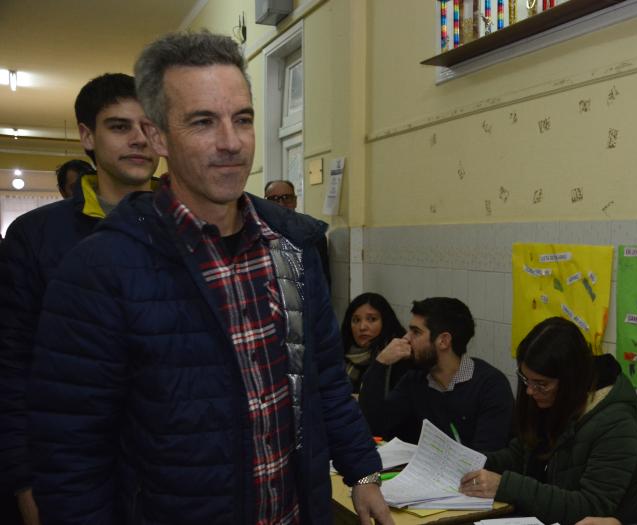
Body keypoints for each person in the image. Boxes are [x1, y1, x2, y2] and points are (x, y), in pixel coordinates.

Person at [27, 31, 392, 525]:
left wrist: (362, 473)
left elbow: (324, 378)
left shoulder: (291, 247)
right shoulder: (100, 269)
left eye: (242, 119)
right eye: (203, 121)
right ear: (157, 137)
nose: (231, 142)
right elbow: (70, 450)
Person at [0, 72, 159, 525]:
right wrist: (25, 482)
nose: (138, 140)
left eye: (148, 126)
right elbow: (12, 367)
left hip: (170, 473)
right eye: (119, 126)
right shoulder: (38, 236)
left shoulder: (186, 229)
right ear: (87, 136)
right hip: (73, 472)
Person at [459, 317, 637, 525]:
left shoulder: (616, 422)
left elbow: (592, 508)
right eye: (525, 380)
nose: (530, 391)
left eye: (541, 384)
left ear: (571, 380)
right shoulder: (551, 400)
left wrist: (505, 486)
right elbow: (520, 454)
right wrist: (471, 462)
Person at [358, 297, 513, 452]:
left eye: (416, 332)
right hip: (416, 472)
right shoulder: (416, 379)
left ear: (444, 341)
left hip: (466, 475)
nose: (406, 338)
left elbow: (487, 456)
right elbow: (375, 425)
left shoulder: (491, 385)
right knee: (361, 478)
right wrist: (380, 363)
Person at [341, 293, 414, 393]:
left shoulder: (398, 357)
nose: (362, 327)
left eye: (372, 319)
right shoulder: (340, 353)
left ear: (385, 322)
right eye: (356, 320)